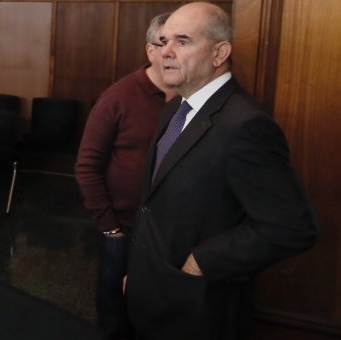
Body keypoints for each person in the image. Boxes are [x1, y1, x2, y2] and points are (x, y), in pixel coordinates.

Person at [124, 2, 318, 339]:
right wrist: (140, 271)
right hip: (151, 292)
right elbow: (153, 202)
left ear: (219, 53)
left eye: (182, 42)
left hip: (196, 310)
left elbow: (291, 227)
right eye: (163, 40)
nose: (164, 51)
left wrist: (201, 261)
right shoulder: (175, 108)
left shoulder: (246, 126)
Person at [74, 12, 175, 340]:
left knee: (160, 313)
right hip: (124, 227)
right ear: (150, 50)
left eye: (183, 42)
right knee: (114, 312)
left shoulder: (192, 98)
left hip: (171, 229)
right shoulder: (117, 97)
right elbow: (87, 166)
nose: (172, 52)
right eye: (164, 43)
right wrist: (110, 227)